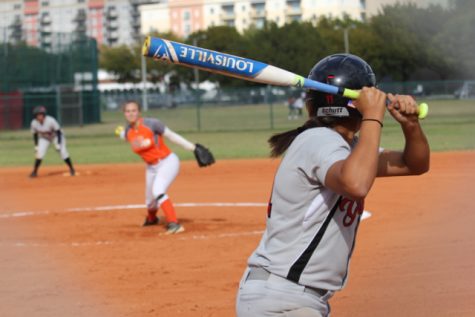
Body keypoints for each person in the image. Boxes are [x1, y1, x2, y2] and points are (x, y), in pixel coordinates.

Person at [236, 54, 430, 317]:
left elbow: (413, 164)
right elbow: (357, 184)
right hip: (283, 299)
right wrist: (374, 116)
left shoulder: (343, 149)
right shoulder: (318, 140)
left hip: (291, 297)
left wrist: (410, 125)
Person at [116, 101, 215, 235]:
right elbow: (124, 135)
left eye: (134, 110)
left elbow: (172, 136)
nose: (131, 113)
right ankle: (152, 219)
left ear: (138, 112)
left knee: (158, 190)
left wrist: (193, 148)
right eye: (128, 111)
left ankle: (174, 224)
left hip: (167, 162)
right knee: (150, 202)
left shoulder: (152, 124)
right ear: (124, 113)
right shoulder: (128, 131)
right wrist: (119, 133)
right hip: (151, 167)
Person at [29, 105, 76, 178]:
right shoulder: (34, 123)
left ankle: (72, 169)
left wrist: (58, 143)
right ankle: (34, 172)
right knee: (39, 153)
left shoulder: (50, 120)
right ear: (35, 116)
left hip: (57, 136)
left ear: (44, 115)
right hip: (44, 138)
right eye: (37, 115)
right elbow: (35, 135)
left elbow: (58, 132)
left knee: (62, 151)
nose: (39, 116)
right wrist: (36, 146)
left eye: (41, 114)